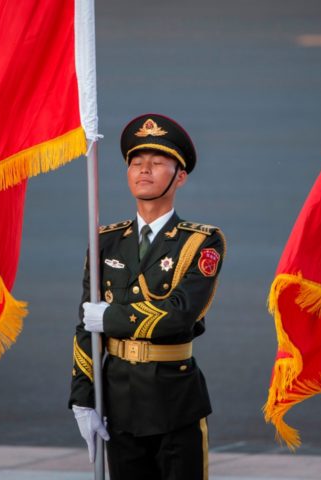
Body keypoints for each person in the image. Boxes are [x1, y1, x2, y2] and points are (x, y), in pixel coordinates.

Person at [69, 113, 225, 480]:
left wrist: (110, 318)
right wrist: (82, 397)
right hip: (118, 400)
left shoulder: (201, 242)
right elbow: (84, 325)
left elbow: (180, 314)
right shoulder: (104, 240)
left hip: (174, 401)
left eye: (157, 163)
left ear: (180, 176)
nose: (144, 170)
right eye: (136, 163)